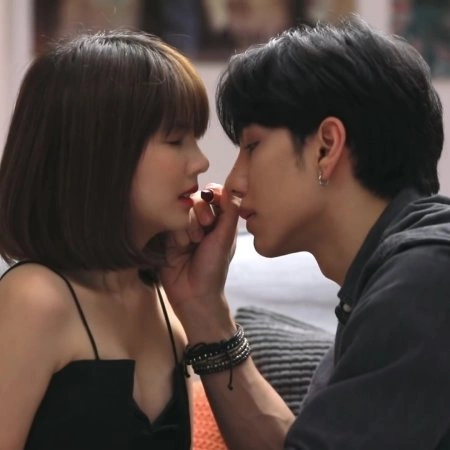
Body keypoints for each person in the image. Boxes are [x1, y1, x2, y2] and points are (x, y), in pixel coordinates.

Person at [160, 15, 450, 450]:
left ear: (326, 147)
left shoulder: (424, 282)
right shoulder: (398, 277)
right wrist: (202, 307)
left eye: (252, 146)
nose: (233, 182)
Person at [0, 30, 210, 449]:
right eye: (176, 141)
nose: (201, 162)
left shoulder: (163, 298)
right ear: (102, 153)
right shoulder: (36, 298)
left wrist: (207, 301)